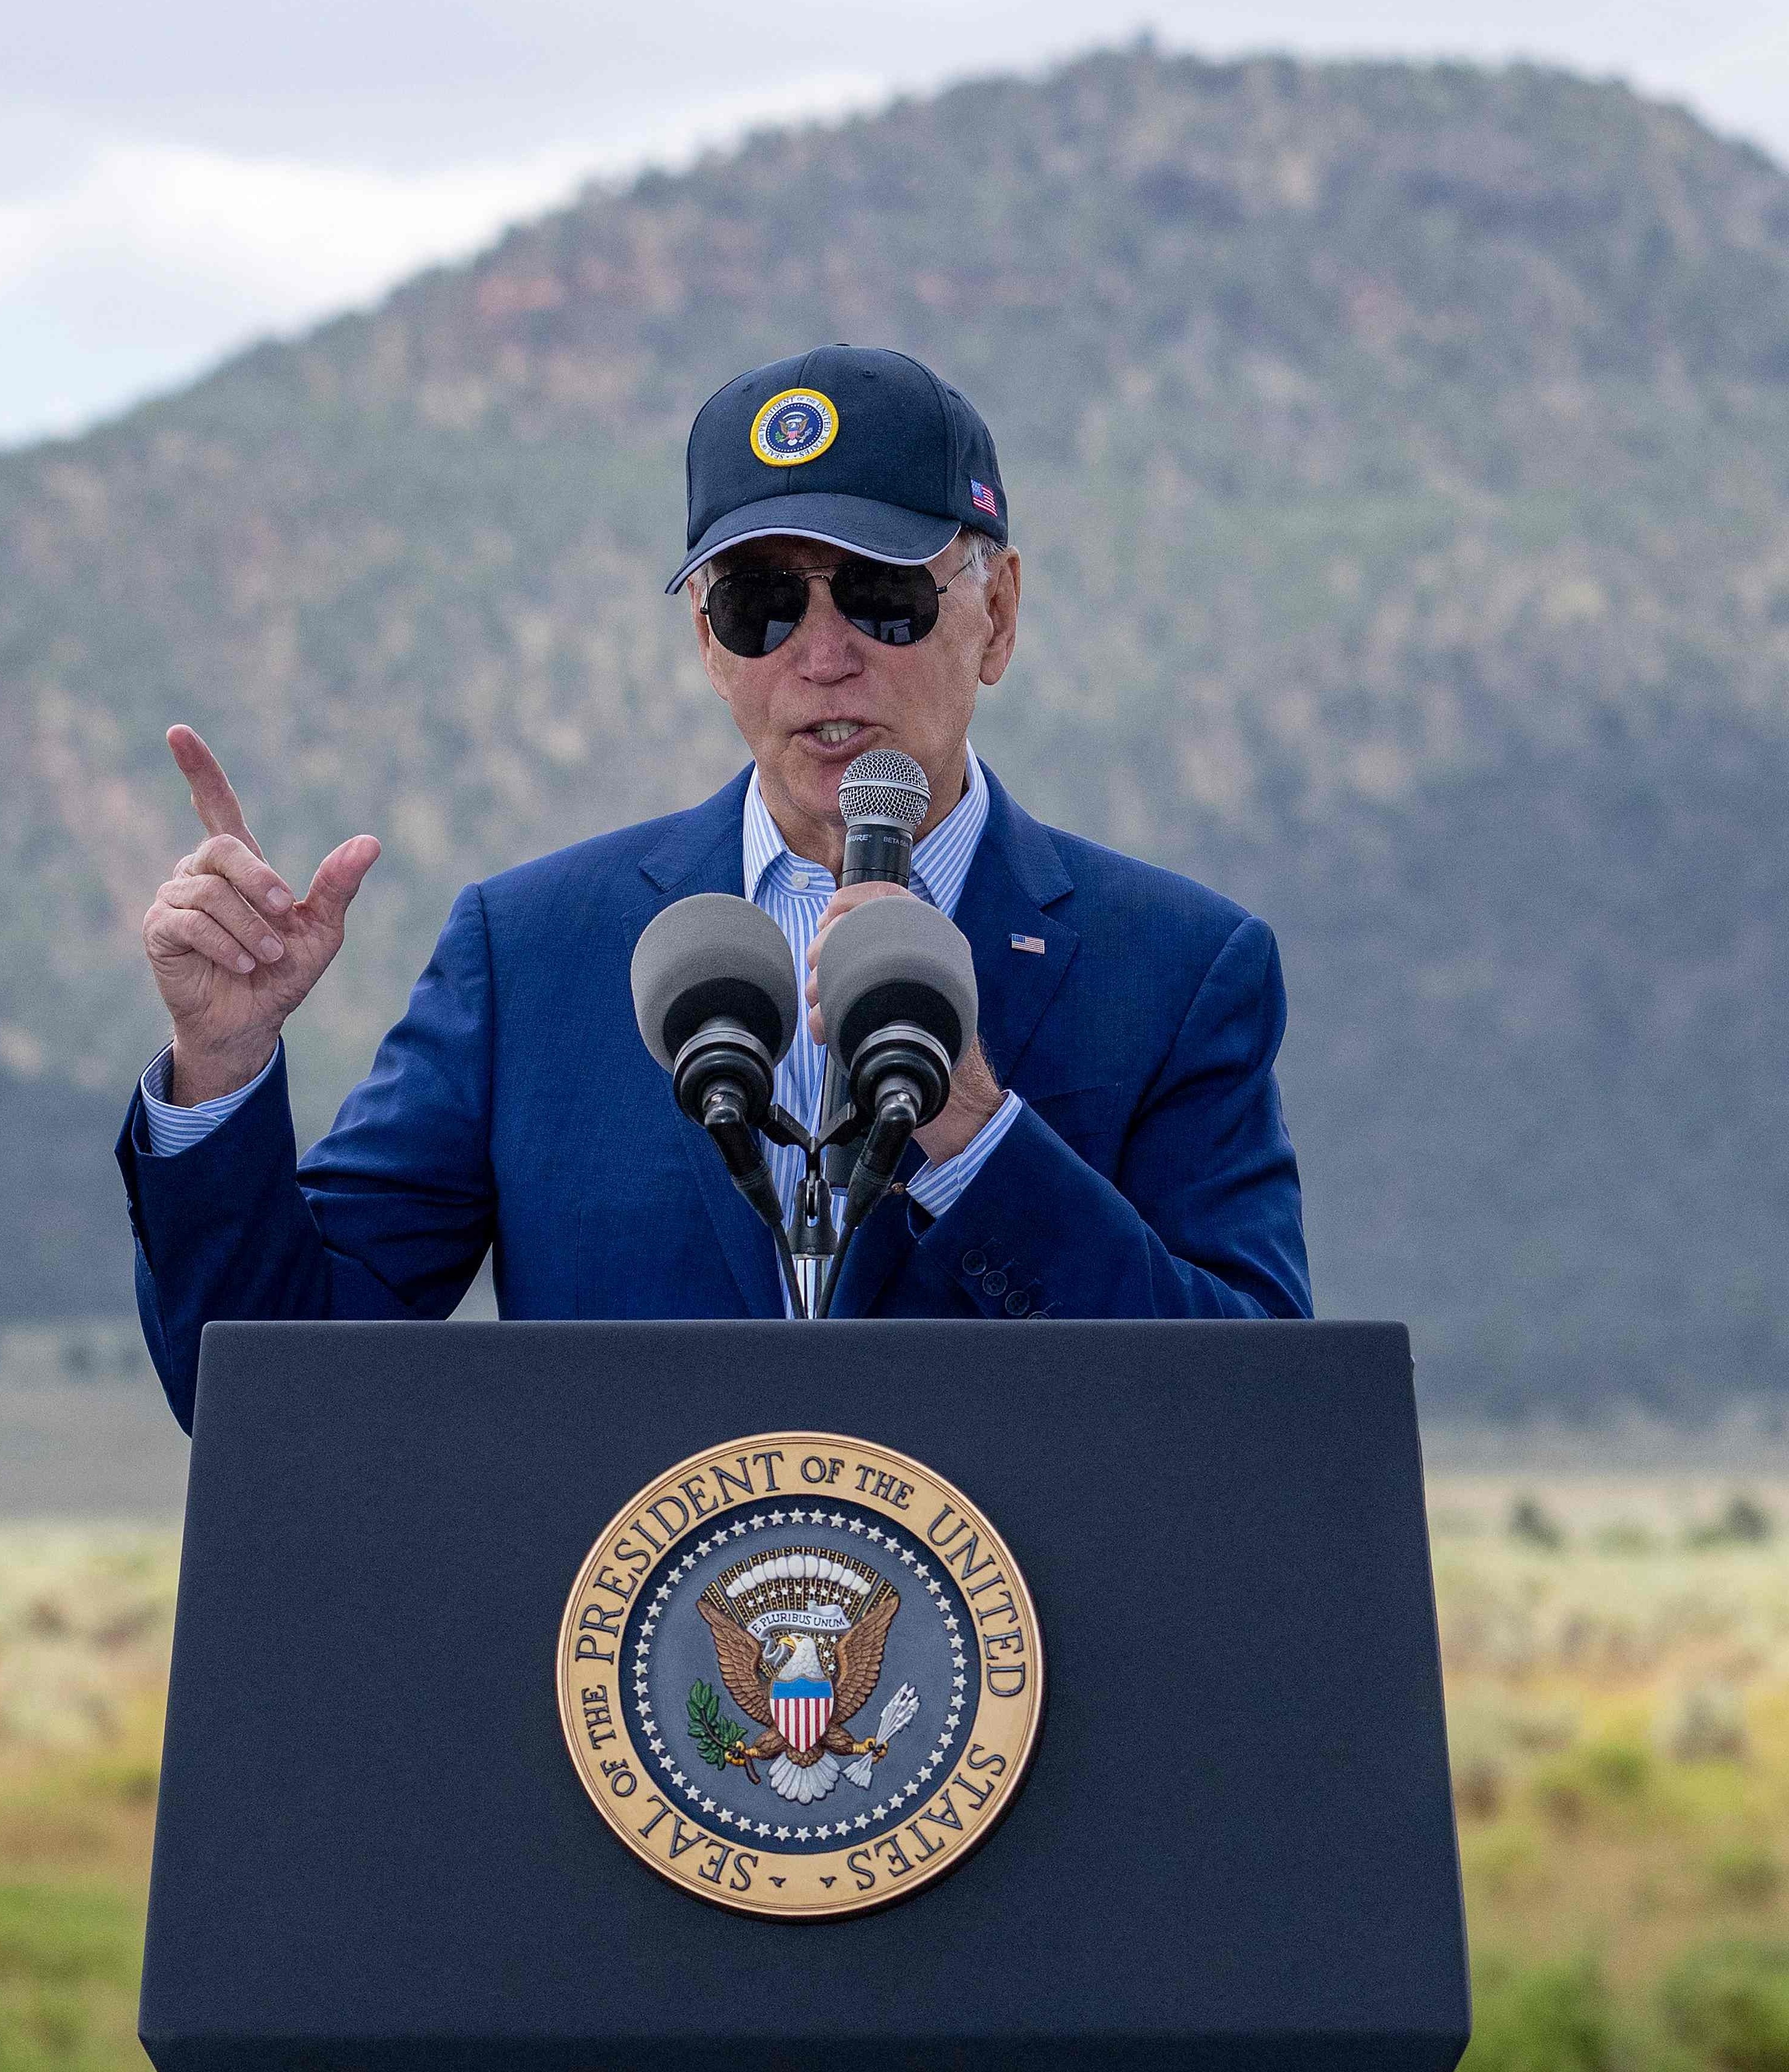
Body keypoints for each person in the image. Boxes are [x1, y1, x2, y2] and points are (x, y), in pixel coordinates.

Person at [118, 344, 1307, 1421]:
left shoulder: (1178, 968)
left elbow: (1258, 1410)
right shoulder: (536, 952)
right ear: (705, 640)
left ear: (995, 617)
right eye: (761, 604)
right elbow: (277, 1385)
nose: (822, 652)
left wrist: (980, 1135)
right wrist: (219, 1068)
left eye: (884, 598)